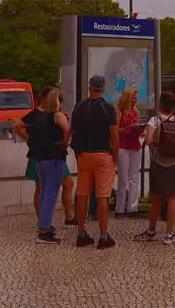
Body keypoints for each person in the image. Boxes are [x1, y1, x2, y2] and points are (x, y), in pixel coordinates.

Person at [134, 90, 175, 245]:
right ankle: (169, 234)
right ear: (174, 106)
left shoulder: (154, 120)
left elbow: (148, 140)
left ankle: (151, 231)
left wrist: (160, 145)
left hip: (158, 163)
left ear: (160, 104)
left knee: (155, 199)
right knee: (172, 198)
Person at [70, 75, 119, 248]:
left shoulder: (79, 107)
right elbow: (114, 136)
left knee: (82, 194)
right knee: (102, 197)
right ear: (103, 89)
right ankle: (103, 236)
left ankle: (81, 233)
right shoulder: (108, 109)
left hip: (84, 155)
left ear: (89, 87)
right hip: (103, 155)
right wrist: (115, 157)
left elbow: (72, 131)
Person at [26, 87, 70, 244]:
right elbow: (68, 130)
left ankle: (43, 226)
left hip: (40, 160)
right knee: (50, 195)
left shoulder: (40, 118)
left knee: (45, 193)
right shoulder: (58, 116)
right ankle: (44, 231)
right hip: (54, 158)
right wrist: (65, 142)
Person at [114, 89, 143, 217]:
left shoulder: (135, 112)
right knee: (123, 179)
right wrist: (125, 129)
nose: (135, 100)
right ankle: (120, 208)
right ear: (127, 98)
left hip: (135, 146)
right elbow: (115, 130)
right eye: (133, 97)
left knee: (134, 178)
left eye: (136, 98)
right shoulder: (119, 112)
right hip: (123, 147)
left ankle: (132, 207)